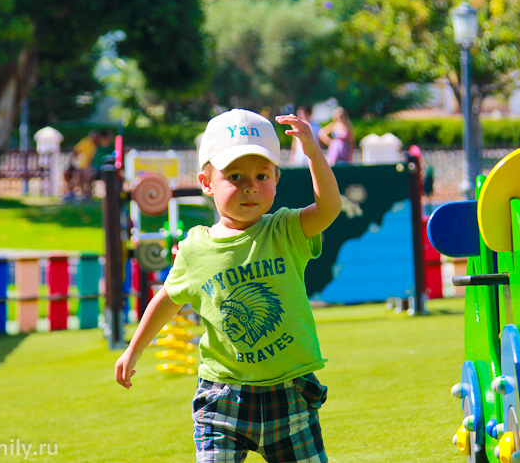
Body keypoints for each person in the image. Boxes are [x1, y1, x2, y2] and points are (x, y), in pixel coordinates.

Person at [115, 108, 341, 463]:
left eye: (262, 174)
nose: (250, 185)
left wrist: (313, 152)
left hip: (290, 395)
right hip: (222, 398)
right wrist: (134, 349)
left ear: (276, 179)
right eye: (235, 175)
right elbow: (167, 300)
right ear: (206, 183)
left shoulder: (285, 230)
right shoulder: (195, 249)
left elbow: (328, 208)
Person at [63, 130, 99, 202]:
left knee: (83, 175)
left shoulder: (98, 147)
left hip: (89, 168)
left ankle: (86, 194)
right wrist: (71, 162)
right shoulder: (85, 142)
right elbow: (76, 151)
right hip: (80, 167)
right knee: (68, 174)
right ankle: (71, 192)